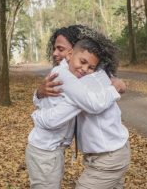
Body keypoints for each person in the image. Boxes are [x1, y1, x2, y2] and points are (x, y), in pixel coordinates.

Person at [26, 34, 125, 188]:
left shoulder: (82, 76)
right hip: (46, 150)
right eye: (82, 62)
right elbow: (91, 103)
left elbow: (93, 96)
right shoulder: (65, 75)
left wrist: (114, 85)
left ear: (71, 51)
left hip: (105, 154)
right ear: (72, 55)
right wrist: (115, 89)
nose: (56, 54)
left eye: (61, 49)